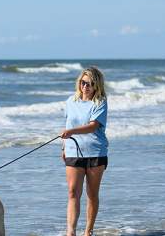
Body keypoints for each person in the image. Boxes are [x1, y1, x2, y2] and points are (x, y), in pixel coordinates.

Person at [60, 66, 108, 236]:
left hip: (96, 152)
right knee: (73, 191)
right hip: (73, 151)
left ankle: (88, 231)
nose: (85, 86)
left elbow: (93, 126)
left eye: (89, 83)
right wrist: (64, 146)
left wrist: (71, 132)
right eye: (83, 82)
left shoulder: (100, 102)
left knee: (92, 193)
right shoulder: (70, 101)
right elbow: (68, 124)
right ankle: (70, 232)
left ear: (96, 85)